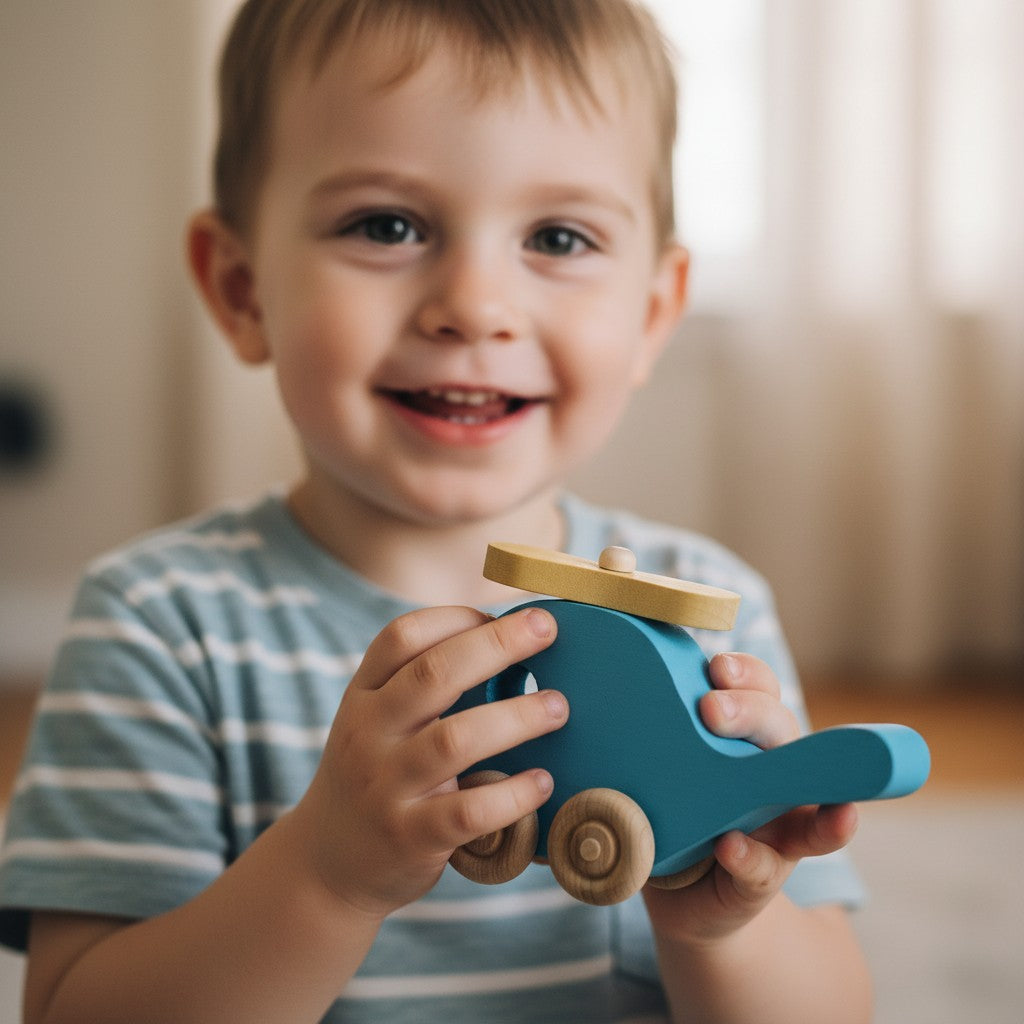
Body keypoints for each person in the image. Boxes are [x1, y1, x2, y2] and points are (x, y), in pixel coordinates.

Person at [0, 1, 873, 1021]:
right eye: (387, 226)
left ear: (650, 314)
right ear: (240, 290)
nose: (473, 304)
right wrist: (326, 876)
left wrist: (725, 921)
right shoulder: (158, 623)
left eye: (557, 237)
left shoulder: (710, 615)